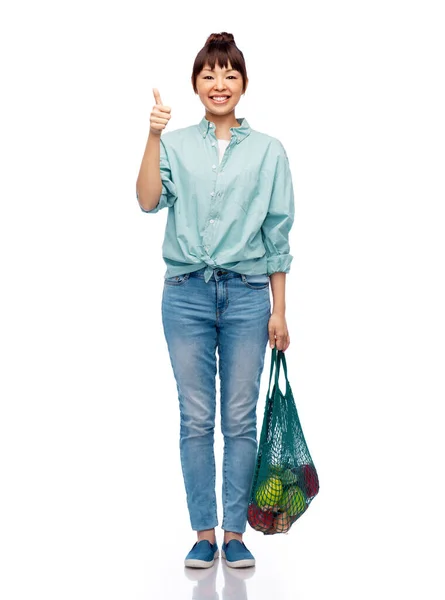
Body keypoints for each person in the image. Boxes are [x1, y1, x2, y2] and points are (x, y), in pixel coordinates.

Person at [135, 31, 295, 569]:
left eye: (229, 74)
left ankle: (234, 533)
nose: (219, 83)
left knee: (240, 419)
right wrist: (153, 136)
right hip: (186, 296)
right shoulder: (176, 144)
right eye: (209, 74)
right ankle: (204, 533)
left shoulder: (270, 151)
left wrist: (280, 308)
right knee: (196, 418)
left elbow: (278, 236)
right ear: (196, 85)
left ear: (244, 84)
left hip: (250, 295)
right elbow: (147, 201)